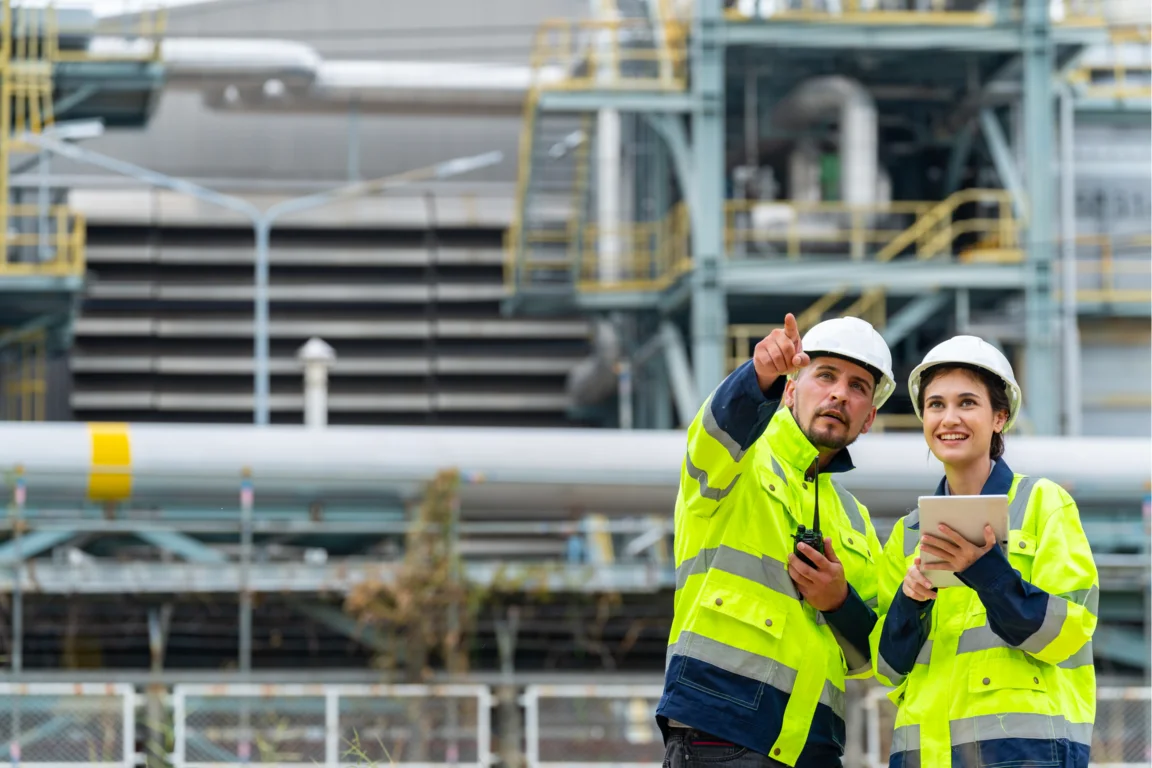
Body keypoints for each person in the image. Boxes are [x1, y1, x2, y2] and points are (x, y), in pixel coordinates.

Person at [656, 313, 896, 768]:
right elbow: (713, 435)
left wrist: (838, 601)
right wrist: (758, 377)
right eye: (824, 376)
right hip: (720, 734)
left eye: (858, 387)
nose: (839, 393)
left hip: (814, 749)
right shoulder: (740, 456)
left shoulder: (855, 519)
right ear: (790, 390)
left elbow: (872, 658)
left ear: (868, 419)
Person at [870, 335, 1098, 768]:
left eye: (967, 403)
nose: (948, 418)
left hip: (1021, 753)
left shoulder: (1042, 504)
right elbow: (887, 667)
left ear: (1000, 417)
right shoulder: (906, 533)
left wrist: (989, 574)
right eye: (935, 404)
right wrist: (910, 600)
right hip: (924, 756)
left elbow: (1069, 634)